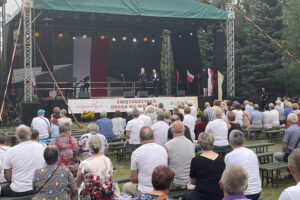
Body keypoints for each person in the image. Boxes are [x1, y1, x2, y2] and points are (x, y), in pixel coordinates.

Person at [1, 125, 45, 197]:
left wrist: (15, 182)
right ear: (30, 134)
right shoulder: (42, 147)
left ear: (17, 137)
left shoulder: (11, 151)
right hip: (38, 187)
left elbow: (7, 176)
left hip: (18, 189)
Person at [123, 127, 168, 195]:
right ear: (153, 137)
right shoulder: (163, 149)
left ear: (140, 138)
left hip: (145, 190)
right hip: (162, 189)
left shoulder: (136, 153)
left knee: (126, 186)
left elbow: (133, 178)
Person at [183, 132, 225, 200]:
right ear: (212, 143)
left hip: (201, 195)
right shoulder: (221, 159)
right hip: (218, 194)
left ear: (200, 143)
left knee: (186, 195)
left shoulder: (196, 160)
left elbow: (193, 181)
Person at [225, 130, 261, 200]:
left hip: (244, 193)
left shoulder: (229, 156)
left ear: (230, 142)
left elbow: (228, 178)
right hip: (257, 191)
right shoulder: (251, 152)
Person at [76, 135, 114, 200]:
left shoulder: (84, 163)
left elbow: (78, 182)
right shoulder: (108, 160)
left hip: (92, 196)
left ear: (88, 147)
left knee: (80, 188)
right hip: (107, 194)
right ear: (102, 146)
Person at [165, 121, 195, 190]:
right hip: (189, 182)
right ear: (184, 130)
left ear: (172, 131)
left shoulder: (167, 145)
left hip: (174, 183)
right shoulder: (191, 144)